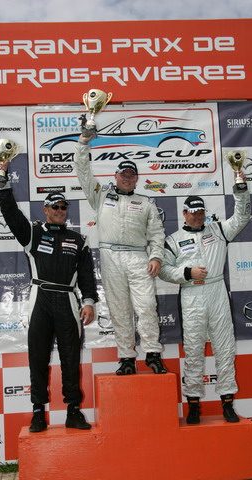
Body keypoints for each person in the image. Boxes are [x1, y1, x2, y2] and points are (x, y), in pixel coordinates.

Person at [0, 161, 98, 433]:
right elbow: (11, 214)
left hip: (67, 301)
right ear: (46, 210)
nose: (60, 211)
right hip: (39, 298)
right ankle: (38, 412)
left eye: (63, 208)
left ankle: (73, 411)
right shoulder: (33, 233)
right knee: (38, 358)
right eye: (55, 207)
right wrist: (3, 185)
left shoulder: (79, 239)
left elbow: (87, 275)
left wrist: (88, 302)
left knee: (70, 359)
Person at [159, 173, 250, 424]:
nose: (197, 216)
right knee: (194, 350)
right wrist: (186, 273)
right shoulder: (173, 240)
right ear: (185, 213)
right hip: (191, 295)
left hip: (217, 291)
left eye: (200, 211)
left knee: (225, 348)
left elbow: (242, 217)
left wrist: (240, 188)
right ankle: (194, 404)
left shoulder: (218, 229)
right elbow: (164, 271)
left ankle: (227, 403)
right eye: (192, 212)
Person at [74, 134, 167, 375]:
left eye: (131, 175)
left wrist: (156, 256)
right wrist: (83, 144)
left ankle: (153, 354)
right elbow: (83, 172)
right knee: (119, 309)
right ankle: (126, 357)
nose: (127, 178)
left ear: (137, 179)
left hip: (138, 258)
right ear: (115, 177)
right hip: (110, 257)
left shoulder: (146, 202)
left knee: (147, 306)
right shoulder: (101, 195)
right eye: (123, 174)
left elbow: (157, 235)